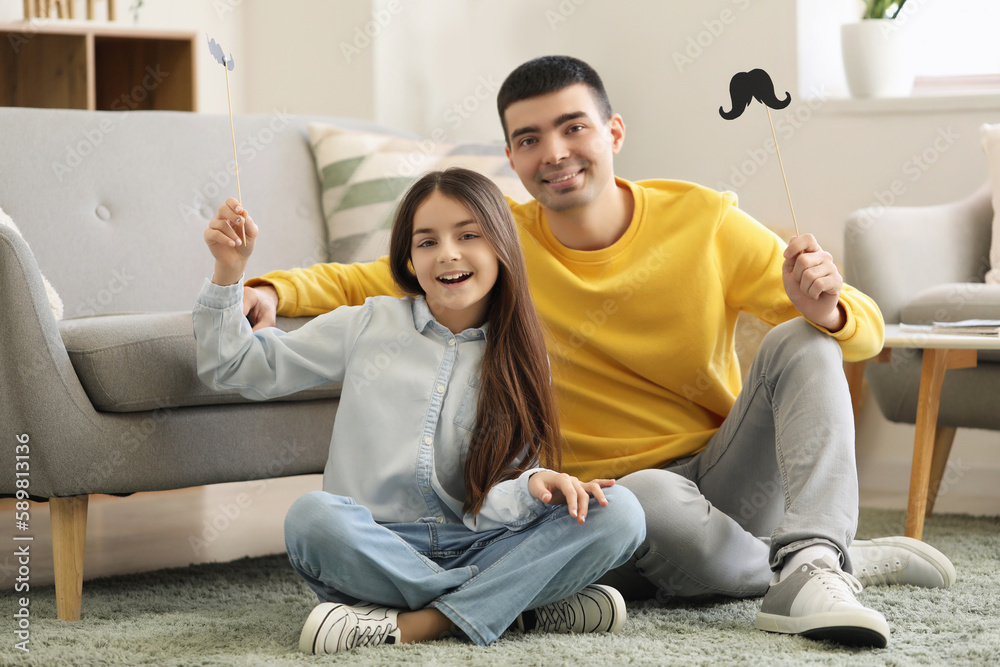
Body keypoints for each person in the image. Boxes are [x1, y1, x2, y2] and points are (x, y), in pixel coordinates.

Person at [236, 57, 956, 648]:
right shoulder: (497, 244)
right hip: (609, 502)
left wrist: (827, 306)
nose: (553, 153)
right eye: (527, 139)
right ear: (512, 156)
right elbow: (374, 278)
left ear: (612, 131)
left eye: (572, 127)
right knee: (642, 500)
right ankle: (822, 559)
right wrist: (271, 288)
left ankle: (813, 558)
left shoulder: (704, 221)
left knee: (803, 340)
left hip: (726, 472)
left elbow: (865, 335)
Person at [192, 167, 646, 654]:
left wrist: (534, 485)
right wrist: (229, 273)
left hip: (480, 542)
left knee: (622, 513)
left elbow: (493, 499)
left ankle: (418, 624)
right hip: (378, 547)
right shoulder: (369, 323)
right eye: (426, 242)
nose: (447, 252)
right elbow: (236, 368)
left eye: (468, 235)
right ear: (409, 259)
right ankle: (518, 605)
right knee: (312, 520)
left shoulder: (521, 356)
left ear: (500, 246)